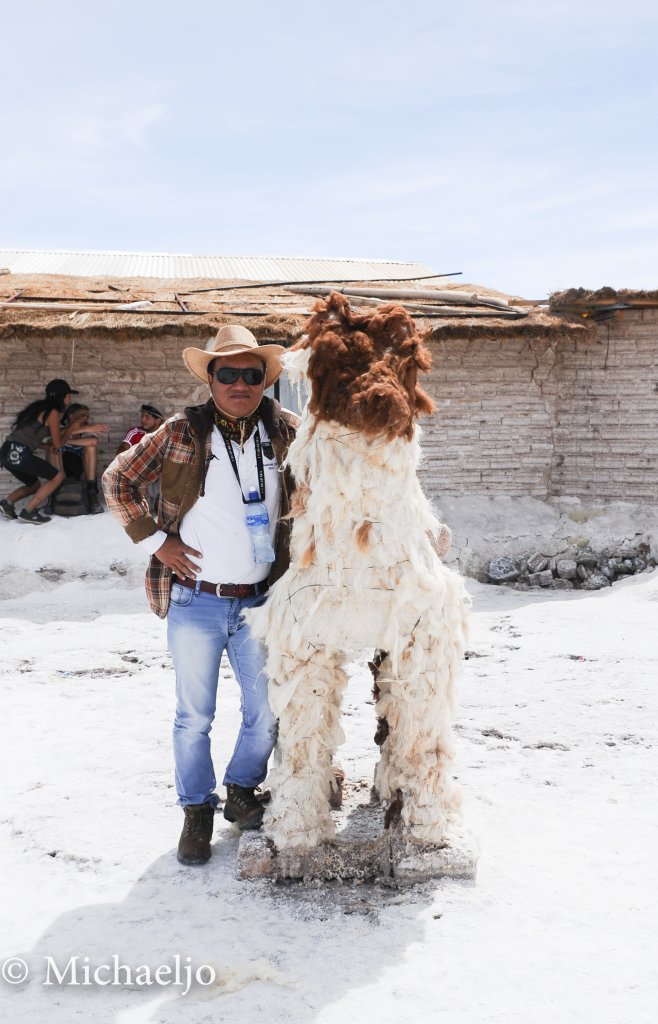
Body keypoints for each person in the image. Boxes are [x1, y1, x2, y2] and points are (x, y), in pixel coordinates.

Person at [103, 325, 298, 866]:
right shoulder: (181, 432)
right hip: (197, 600)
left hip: (261, 601)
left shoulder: (287, 432)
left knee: (265, 712)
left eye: (250, 374)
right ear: (210, 378)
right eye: (227, 373)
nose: (240, 383)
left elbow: (337, 477)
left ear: (264, 381)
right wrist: (157, 540)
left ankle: (240, 790)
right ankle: (196, 811)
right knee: (195, 716)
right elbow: (117, 482)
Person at [0, 378, 76, 524]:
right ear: (61, 397)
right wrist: (71, 428)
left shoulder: (39, 409)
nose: (70, 399)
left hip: (6, 451)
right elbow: (58, 444)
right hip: (19, 453)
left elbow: (28, 437)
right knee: (57, 477)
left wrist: (46, 446)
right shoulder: (52, 413)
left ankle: (7, 503)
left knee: (34, 486)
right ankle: (29, 511)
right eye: (68, 395)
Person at [53, 402, 109, 513]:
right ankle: (53, 495)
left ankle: (92, 493)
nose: (85, 418)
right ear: (71, 416)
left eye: (87, 416)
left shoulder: (87, 432)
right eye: (82, 415)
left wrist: (63, 441)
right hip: (62, 472)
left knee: (91, 447)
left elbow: (93, 441)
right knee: (53, 450)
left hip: (83, 471)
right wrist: (60, 442)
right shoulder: (61, 431)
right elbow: (52, 440)